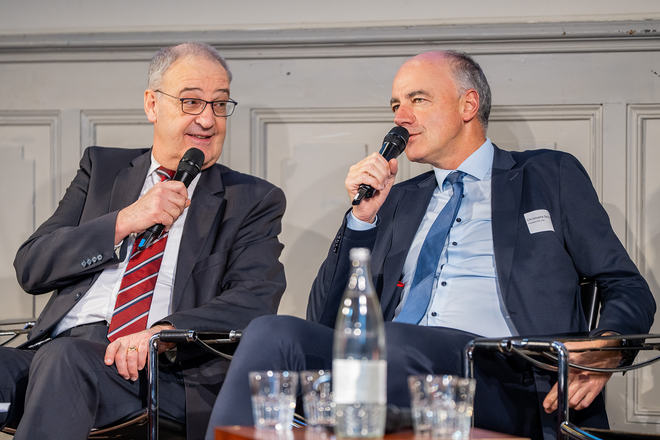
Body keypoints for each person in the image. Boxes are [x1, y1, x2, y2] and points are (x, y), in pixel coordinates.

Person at [204, 50, 655, 440]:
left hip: (503, 376)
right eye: (396, 104)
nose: (400, 117)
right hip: (391, 363)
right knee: (271, 333)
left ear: (468, 105)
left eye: (418, 100)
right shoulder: (398, 200)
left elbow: (625, 284)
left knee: (395, 340)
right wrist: (362, 219)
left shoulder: (545, 175)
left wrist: (607, 348)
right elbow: (324, 318)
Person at [0, 42, 286, 440]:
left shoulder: (251, 199)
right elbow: (32, 267)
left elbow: (254, 298)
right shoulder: (102, 169)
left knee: (66, 360)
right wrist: (124, 221)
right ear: (152, 104)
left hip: (158, 370)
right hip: (54, 352)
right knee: (49, 358)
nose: (208, 120)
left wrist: (162, 331)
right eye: (191, 102)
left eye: (219, 104)